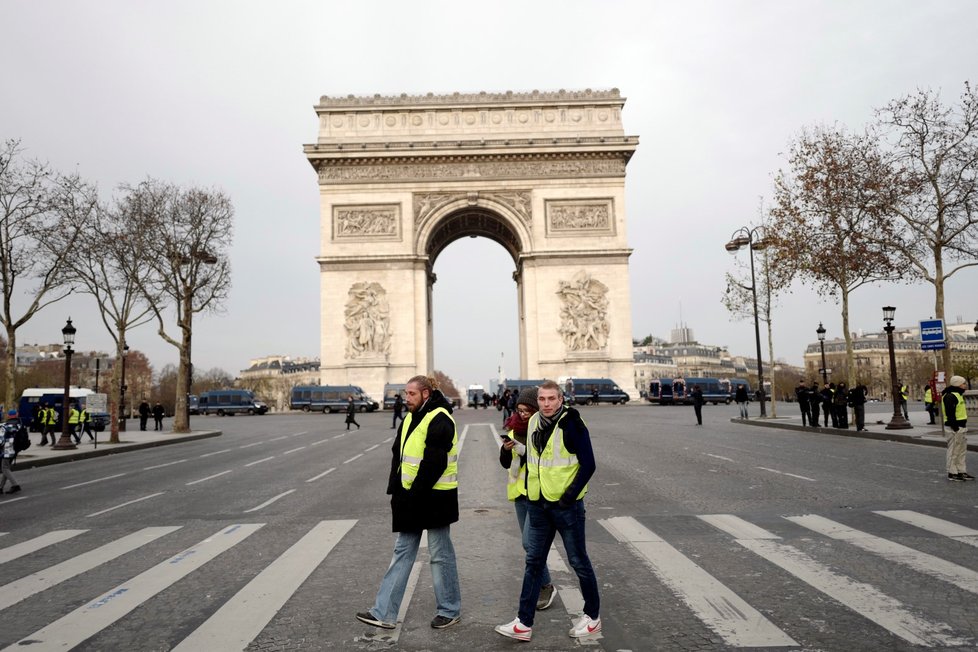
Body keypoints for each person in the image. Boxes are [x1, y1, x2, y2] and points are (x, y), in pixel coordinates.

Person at [496, 380, 600, 642]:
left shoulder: (572, 423)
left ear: (561, 399)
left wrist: (567, 497)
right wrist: (532, 494)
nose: (546, 404)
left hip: (566, 506)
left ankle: (592, 617)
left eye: (551, 399)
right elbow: (534, 461)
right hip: (539, 504)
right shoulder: (533, 423)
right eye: (542, 399)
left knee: (578, 561)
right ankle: (523, 623)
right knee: (533, 562)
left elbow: (588, 464)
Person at [356, 375, 460, 630]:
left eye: (411, 394)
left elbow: (435, 464)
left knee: (440, 555)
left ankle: (449, 609)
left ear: (425, 394)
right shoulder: (410, 418)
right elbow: (398, 456)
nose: (406, 398)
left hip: (435, 498)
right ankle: (384, 612)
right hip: (411, 497)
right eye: (405, 393)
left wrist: (411, 496)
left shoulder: (440, 419)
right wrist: (396, 491)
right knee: (402, 552)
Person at [499, 388, 557, 611]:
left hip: (538, 495)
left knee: (529, 542)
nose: (522, 414)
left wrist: (525, 452)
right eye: (519, 410)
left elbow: (547, 461)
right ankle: (542, 584)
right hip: (519, 495)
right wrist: (507, 449)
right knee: (530, 544)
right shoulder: (513, 429)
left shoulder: (544, 429)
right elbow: (505, 463)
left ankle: (545, 584)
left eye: (526, 411)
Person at [942, 375, 972, 482]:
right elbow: (950, 413)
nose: (965, 385)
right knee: (954, 450)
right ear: (958, 384)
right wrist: (955, 427)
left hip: (960, 426)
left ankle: (961, 471)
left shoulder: (958, 395)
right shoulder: (950, 396)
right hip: (954, 428)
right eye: (963, 383)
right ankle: (952, 472)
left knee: (961, 451)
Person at [0, 410, 23, 494]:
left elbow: (1, 440)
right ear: (16, 415)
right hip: (15, 449)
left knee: (4, 468)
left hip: (6, 450)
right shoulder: (19, 424)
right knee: (6, 468)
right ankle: (0, 487)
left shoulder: (5, 426)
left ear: (9, 416)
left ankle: (15, 485)